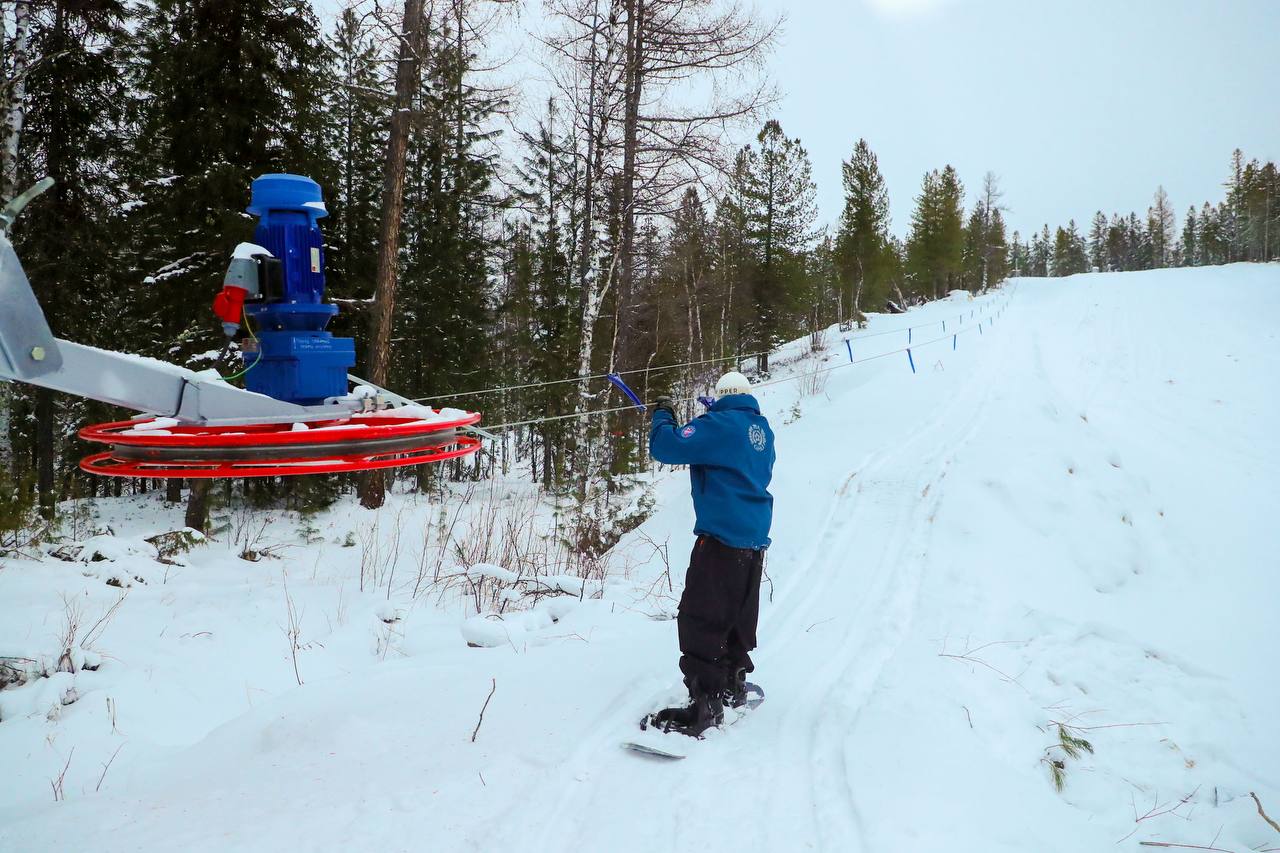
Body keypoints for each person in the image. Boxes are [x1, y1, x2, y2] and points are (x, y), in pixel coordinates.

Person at [646, 370, 776, 736]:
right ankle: (732, 683)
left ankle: (705, 705)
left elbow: (666, 447)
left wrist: (663, 415)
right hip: (753, 539)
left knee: (700, 618)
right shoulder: (761, 430)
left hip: (721, 537)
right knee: (735, 616)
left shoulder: (718, 426)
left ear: (721, 397)